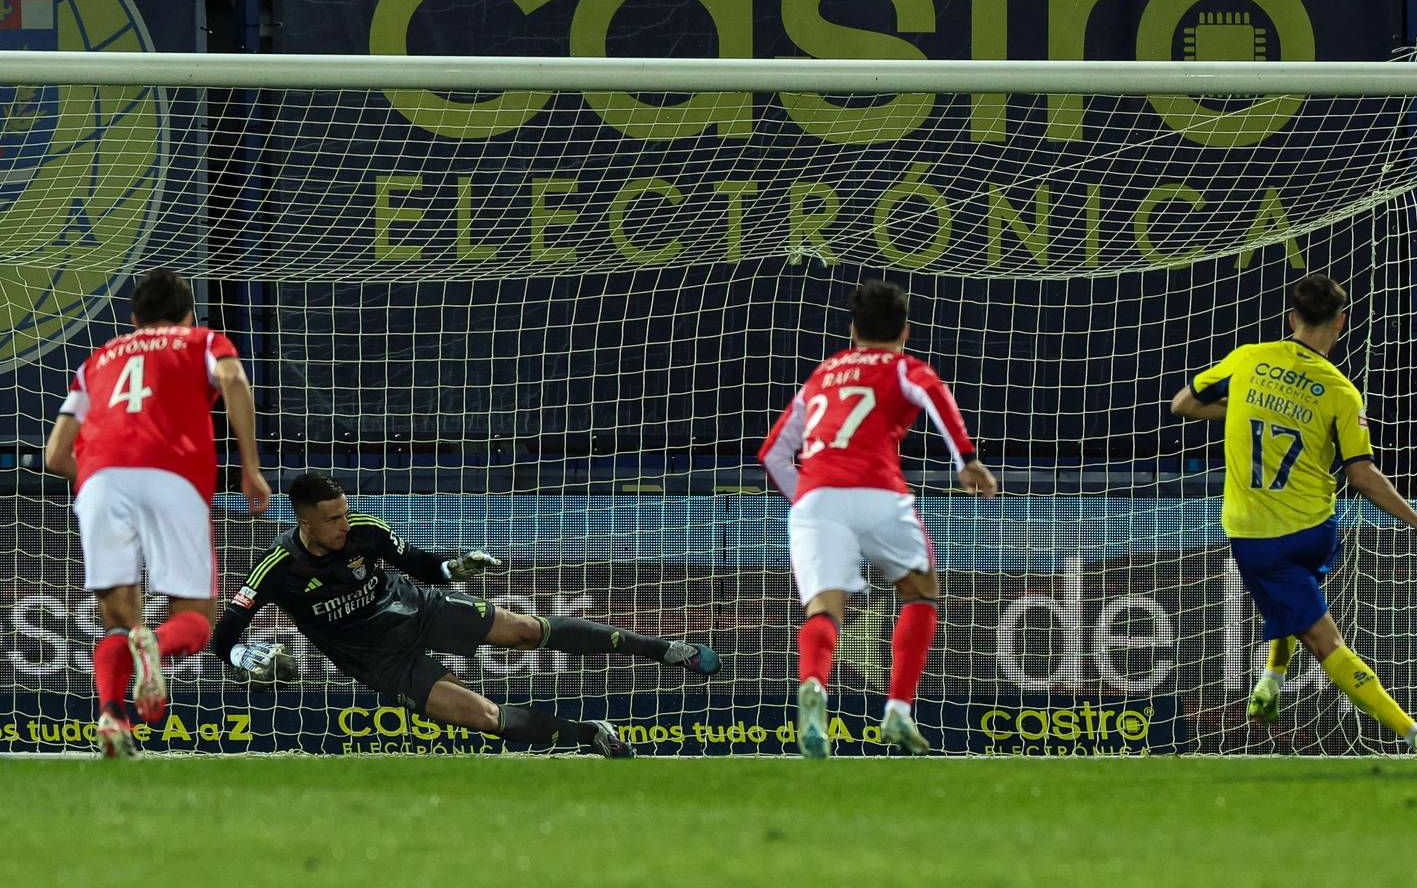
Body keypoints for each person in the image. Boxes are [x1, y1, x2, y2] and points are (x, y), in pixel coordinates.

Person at [212, 472, 722, 757]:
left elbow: (417, 564)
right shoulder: (277, 567)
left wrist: (456, 567)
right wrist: (239, 655)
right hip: (381, 663)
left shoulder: (365, 530)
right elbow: (226, 629)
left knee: (526, 629)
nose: (345, 524)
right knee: (483, 716)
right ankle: (591, 736)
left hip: (418, 609)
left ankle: (667, 651)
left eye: (345, 513)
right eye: (332, 519)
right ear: (304, 523)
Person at [1169, 274, 1417, 759]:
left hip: (1259, 536)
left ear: (1291, 318)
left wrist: (1246, 409)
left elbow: (1183, 404)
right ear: (1341, 323)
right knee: (1294, 603)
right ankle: (1272, 678)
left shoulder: (1248, 359)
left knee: (1326, 643)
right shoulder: (1342, 392)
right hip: (1317, 529)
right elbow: (1362, 476)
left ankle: (1416, 736)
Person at [758, 280, 997, 758]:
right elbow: (937, 397)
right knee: (920, 590)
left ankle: (814, 690)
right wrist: (965, 459)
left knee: (824, 610)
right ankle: (899, 710)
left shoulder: (823, 373)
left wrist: (807, 501)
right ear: (905, 331)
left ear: (852, 329)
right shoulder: (904, 367)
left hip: (816, 498)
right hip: (877, 490)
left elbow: (773, 454)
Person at [42, 270, 271, 758]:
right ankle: (155, 649)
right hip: (172, 475)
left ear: (132, 318)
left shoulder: (97, 359)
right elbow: (231, 377)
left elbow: (56, 456)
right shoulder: (204, 339)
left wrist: (103, 477)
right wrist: (250, 467)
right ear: (189, 313)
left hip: (101, 479)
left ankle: (111, 716)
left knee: (117, 621)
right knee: (194, 620)